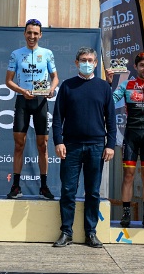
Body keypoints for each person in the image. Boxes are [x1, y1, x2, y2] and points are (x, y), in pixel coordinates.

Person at [52, 47, 117, 248]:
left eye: (90, 60)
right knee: (68, 191)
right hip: (71, 146)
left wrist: (110, 145)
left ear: (96, 63)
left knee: (93, 192)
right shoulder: (67, 86)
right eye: (83, 59)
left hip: (97, 146)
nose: (86, 63)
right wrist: (58, 141)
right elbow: (57, 118)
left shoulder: (104, 87)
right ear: (76, 62)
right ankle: (66, 232)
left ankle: (90, 233)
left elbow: (111, 120)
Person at [106, 52, 144, 228]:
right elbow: (111, 101)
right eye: (142, 65)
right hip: (131, 136)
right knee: (128, 176)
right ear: (136, 67)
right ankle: (126, 215)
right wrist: (110, 83)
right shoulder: (127, 85)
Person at [5, 18, 59, 199]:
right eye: (29, 32)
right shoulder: (16, 54)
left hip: (41, 102)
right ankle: (15, 186)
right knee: (19, 145)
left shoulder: (48, 53)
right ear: (24, 34)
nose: (32, 36)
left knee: (42, 146)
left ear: (40, 35)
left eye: (36, 33)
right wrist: (22, 91)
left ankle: (44, 186)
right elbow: (9, 81)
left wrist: (51, 89)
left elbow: (55, 78)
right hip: (23, 101)